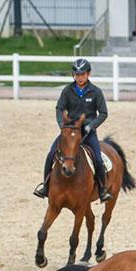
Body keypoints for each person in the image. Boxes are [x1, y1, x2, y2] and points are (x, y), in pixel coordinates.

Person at [33, 58, 112, 203]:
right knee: (51, 154)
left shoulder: (96, 92)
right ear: (73, 75)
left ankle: (102, 190)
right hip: (69, 132)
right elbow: (59, 108)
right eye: (77, 74)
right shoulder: (67, 91)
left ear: (88, 74)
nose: (79, 77)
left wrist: (91, 125)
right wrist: (61, 125)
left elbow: (103, 113)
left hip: (88, 133)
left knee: (99, 160)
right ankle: (45, 186)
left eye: (82, 74)